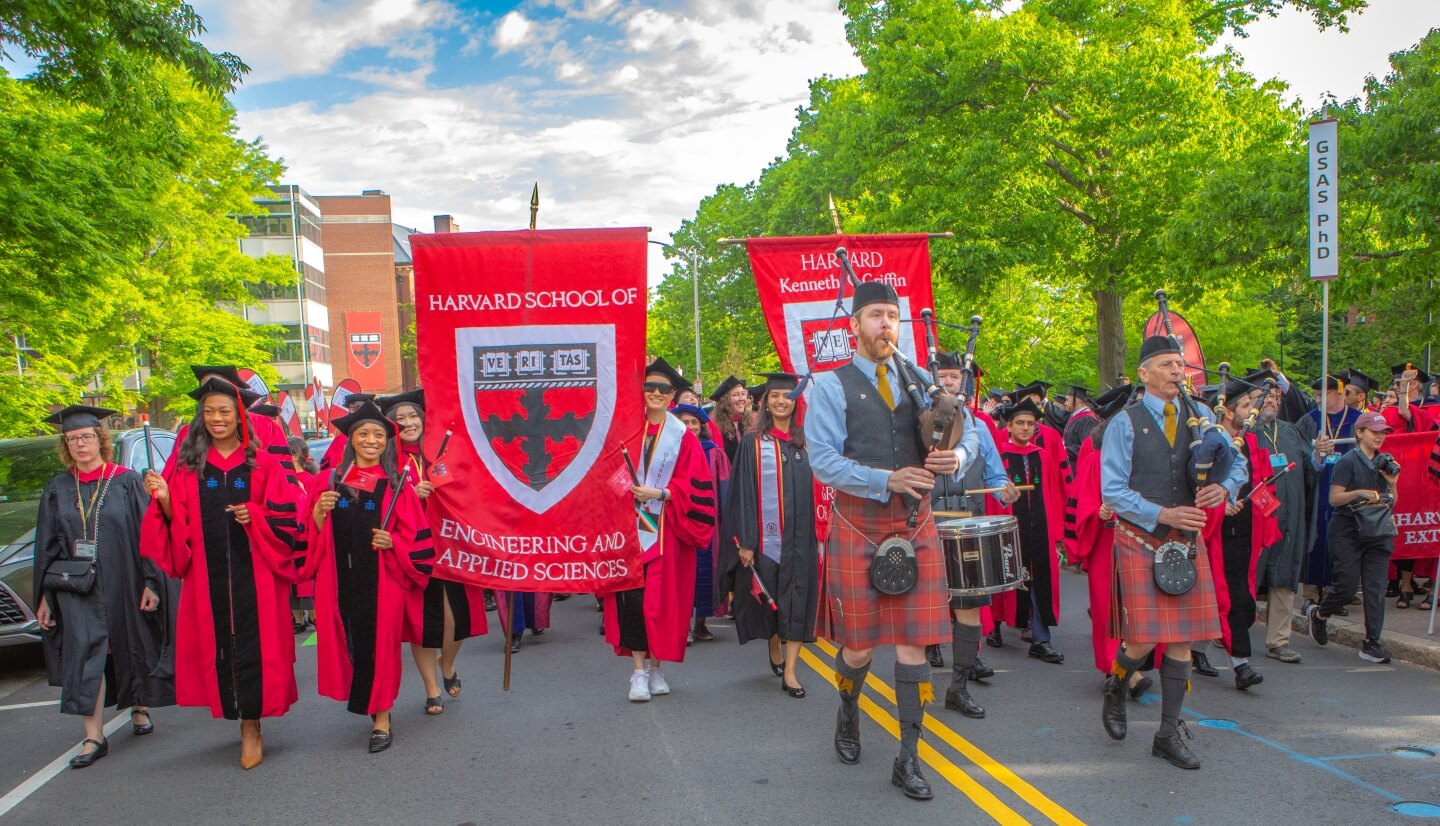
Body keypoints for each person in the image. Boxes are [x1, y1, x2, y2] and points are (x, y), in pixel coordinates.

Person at [805, 281, 979, 800]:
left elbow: (968, 432)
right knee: (858, 650)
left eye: (893, 315)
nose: (886, 324)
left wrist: (959, 458)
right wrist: (887, 479)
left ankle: (909, 756)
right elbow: (823, 460)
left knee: (913, 648)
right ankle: (848, 707)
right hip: (860, 522)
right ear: (854, 324)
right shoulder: (832, 386)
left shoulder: (920, 381)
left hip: (914, 523)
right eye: (876, 315)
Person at [141, 374, 306, 770]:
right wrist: (164, 499)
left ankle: (252, 725)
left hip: (257, 575)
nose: (217, 418)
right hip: (207, 575)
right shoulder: (188, 466)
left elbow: (289, 518)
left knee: (255, 645)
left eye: (225, 412)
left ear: (239, 417)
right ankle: (236, 714)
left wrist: (257, 517)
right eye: (210, 411)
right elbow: (174, 521)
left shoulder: (262, 463)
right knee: (219, 645)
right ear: (202, 417)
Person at [1100, 335, 1246, 770]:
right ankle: (1117, 685)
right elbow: (1113, 491)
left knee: (1181, 639)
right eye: (1166, 364)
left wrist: (1227, 486)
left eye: (1179, 364)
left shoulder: (1201, 416)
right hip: (1142, 538)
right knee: (1143, 639)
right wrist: (1165, 512)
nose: (1177, 372)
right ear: (1144, 374)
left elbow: (1237, 462)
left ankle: (1167, 734)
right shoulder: (1123, 424)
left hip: (1184, 544)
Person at [34, 405, 174, 769]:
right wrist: (46, 596)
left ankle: (139, 705)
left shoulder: (125, 481)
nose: (80, 445)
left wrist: (151, 582)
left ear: (100, 440)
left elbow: (147, 536)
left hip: (122, 578)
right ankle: (94, 735)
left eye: (86, 437)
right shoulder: (58, 488)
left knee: (129, 643)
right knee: (83, 653)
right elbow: (46, 545)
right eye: (72, 440)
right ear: (65, 445)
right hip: (76, 587)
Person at [304, 401, 433, 752]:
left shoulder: (397, 485)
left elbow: (418, 537)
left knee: (381, 647)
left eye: (378, 434)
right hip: (339, 582)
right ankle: (369, 701)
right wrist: (318, 512)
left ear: (387, 442)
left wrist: (394, 542)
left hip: (383, 583)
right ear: (351, 440)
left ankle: (382, 716)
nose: (372, 440)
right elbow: (309, 538)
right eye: (363, 434)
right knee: (351, 642)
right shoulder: (328, 481)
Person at [603, 357, 717, 702]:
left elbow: (698, 486)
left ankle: (656, 668)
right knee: (634, 602)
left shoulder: (682, 437)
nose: (655, 392)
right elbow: (604, 476)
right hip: (629, 531)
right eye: (649, 387)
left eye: (663, 388)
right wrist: (619, 490)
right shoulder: (625, 430)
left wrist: (664, 493)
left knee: (661, 604)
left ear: (672, 396)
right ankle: (638, 673)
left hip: (666, 531)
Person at [379, 390, 488, 714]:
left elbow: (469, 491)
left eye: (413, 416)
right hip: (411, 551)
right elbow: (377, 502)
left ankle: (448, 663)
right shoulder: (386, 460)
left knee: (456, 619)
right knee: (421, 623)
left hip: (450, 545)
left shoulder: (441, 452)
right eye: (400, 419)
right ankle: (430, 688)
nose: (409, 423)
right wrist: (409, 494)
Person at [924, 352, 1017, 717]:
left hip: (968, 528)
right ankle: (916, 681)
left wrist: (1004, 490)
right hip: (925, 526)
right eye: (943, 376)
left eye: (954, 378)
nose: (949, 383)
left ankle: (958, 688)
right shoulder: (914, 423)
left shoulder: (979, 427)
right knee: (924, 604)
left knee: (970, 608)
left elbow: (995, 476)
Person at [720, 373, 820, 697]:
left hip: (802, 540)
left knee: (798, 599)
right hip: (766, 540)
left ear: (795, 401)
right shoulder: (753, 442)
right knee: (772, 602)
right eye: (775, 395)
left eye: (787, 396)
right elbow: (744, 495)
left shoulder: (807, 442)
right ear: (765, 402)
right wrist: (747, 542)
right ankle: (774, 642)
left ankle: (791, 672)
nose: (781, 401)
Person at [1071, 386, 1159, 698]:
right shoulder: (1097, 460)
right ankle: (1119, 670)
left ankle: (1129, 667)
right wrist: (1099, 511)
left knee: (1136, 607)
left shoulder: (1147, 459)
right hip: (1106, 543)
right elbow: (1081, 503)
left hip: (1140, 539)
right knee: (1109, 609)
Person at [1198, 373, 1282, 690]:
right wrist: (1220, 506)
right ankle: (1241, 666)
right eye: (1246, 405)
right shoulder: (1210, 443)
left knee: (1237, 597)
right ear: (1229, 411)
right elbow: (1199, 489)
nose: (1253, 410)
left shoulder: (1250, 443)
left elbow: (1260, 483)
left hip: (1247, 529)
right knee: (1230, 598)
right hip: (1219, 531)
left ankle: (1195, 650)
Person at [1305, 412, 1401, 664]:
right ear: (1360, 433)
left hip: (1378, 531)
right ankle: (1320, 614)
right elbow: (1334, 499)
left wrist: (1391, 484)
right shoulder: (1347, 461)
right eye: (1374, 431)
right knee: (1346, 587)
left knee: (1375, 589)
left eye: (1383, 432)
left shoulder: (1385, 462)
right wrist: (1358, 492)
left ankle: (1372, 643)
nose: (1380, 436)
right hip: (1347, 529)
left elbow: (1392, 503)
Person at [988, 398, 1067, 664]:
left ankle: (1041, 640)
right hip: (1010, 527)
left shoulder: (1042, 455)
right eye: (1019, 423)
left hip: (1040, 527)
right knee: (1004, 576)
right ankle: (994, 627)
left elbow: (1053, 494)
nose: (1025, 428)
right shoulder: (999, 455)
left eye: (1030, 424)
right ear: (1008, 426)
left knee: (1039, 580)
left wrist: (1057, 533)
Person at [1251, 383, 1314, 664]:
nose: (1272, 402)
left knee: (1285, 576)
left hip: (1290, 515)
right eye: (1265, 397)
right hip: (1256, 517)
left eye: (1276, 397)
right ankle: (1229, 630)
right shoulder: (1246, 433)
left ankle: (1279, 641)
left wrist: (1318, 458)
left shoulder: (1290, 431)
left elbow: (1310, 471)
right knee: (1248, 573)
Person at [1296, 375, 1362, 603]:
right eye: (1315, 394)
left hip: (1348, 488)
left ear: (1340, 393)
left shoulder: (1358, 421)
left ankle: (1340, 593)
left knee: (1344, 539)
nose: (1317, 399)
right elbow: (1300, 454)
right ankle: (1311, 592)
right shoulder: (1309, 421)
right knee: (1315, 534)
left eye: (1322, 394)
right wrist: (1316, 456)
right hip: (1317, 487)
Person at [673, 402, 730, 642]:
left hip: (708, 524)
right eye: (684, 422)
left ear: (701, 426)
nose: (690, 426)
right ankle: (682, 626)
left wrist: (727, 520)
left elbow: (725, 487)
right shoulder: (669, 450)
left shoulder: (713, 452)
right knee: (681, 574)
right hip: (678, 521)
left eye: (694, 422)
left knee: (707, 572)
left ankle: (700, 624)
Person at [287, 436, 319, 634]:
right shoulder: (281, 479)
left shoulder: (311, 481)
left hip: (306, 535)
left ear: (295, 455)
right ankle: (298, 619)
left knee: (307, 576)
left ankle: (315, 615)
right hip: (289, 535)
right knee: (290, 577)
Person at [1381, 364, 1437, 434]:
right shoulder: (1391, 409)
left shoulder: (1434, 407)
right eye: (1394, 384)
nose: (1394, 387)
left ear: (1414, 384)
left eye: (1399, 383)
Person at [709, 375, 750, 463]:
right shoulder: (713, 426)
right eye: (736, 395)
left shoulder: (751, 422)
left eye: (743, 394)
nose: (741, 398)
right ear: (725, 400)